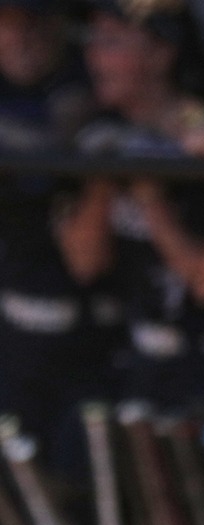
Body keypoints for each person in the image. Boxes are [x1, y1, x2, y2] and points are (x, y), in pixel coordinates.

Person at [56, 0, 204, 421]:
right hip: (135, 370)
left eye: (111, 41)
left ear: (162, 53)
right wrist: (103, 180)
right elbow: (84, 263)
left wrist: (151, 199)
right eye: (92, 41)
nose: (94, 56)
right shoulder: (98, 135)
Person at [0, 0, 96, 480]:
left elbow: (62, 139)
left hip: (94, 331)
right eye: (6, 24)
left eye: (34, 22)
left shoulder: (86, 80)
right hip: (13, 322)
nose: (21, 38)